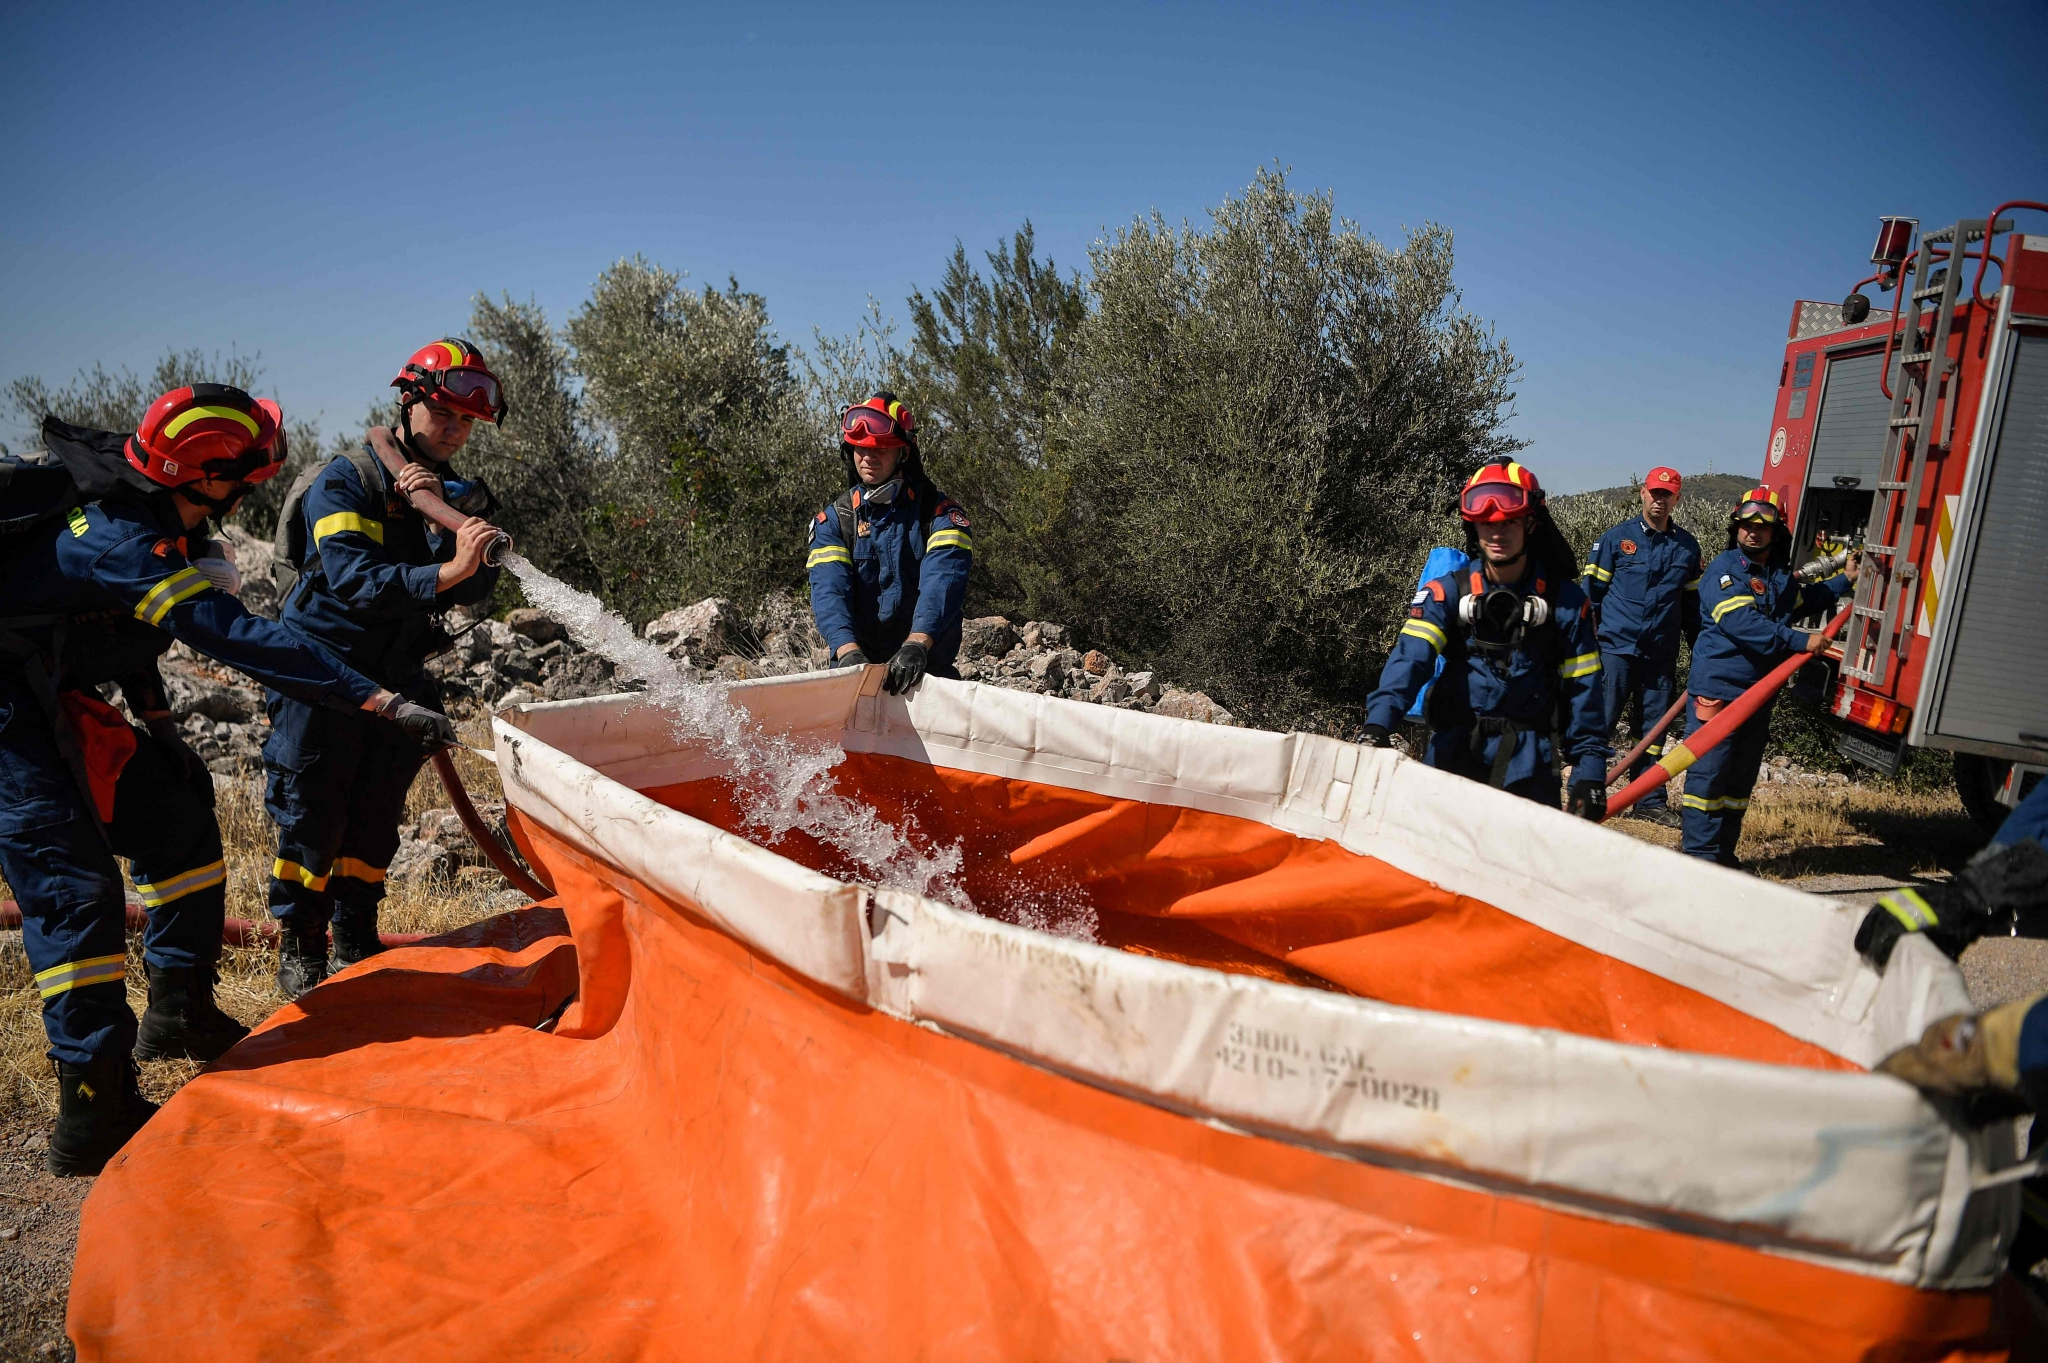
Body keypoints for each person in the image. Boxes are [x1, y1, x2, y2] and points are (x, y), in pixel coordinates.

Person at [0, 386, 454, 1175]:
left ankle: (178, 1008)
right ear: (205, 478)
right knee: (76, 890)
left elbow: (117, 635)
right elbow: (236, 635)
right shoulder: (112, 540)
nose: (253, 485)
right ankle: (92, 1106)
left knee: (176, 810)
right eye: (248, 474)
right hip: (9, 713)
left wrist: (163, 727)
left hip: (44, 687)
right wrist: (374, 697)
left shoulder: (142, 502)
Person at [265, 340, 507, 996]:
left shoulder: (458, 492)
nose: (455, 431)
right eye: (444, 415)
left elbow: (470, 592)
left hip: (397, 672)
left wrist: (469, 558)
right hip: (322, 670)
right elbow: (353, 579)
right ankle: (301, 947)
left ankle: (355, 936)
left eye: (467, 422)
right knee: (314, 813)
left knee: (376, 815)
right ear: (407, 402)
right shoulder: (346, 479)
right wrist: (450, 566)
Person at [1360, 460, 1610, 816]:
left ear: (1531, 523)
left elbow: (1585, 692)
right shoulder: (1445, 595)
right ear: (1472, 526)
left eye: (1509, 521)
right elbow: (1410, 660)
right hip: (1452, 757)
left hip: (1531, 769)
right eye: (1486, 523)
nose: (1497, 532)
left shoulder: (1567, 604)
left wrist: (1590, 774)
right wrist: (1376, 726)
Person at [1681, 488, 1856, 866]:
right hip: (1720, 692)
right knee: (1709, 777)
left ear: (1775, 532)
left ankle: (1723, 856)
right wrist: (1801, 640)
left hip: (1758, 695)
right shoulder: (1725, 571)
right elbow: (1745, 625)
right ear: (1736, 528)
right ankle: (1697, 858)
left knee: (1738, 781)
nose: (1753, 533)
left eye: (1762, 527)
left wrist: (1846, 580)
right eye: (1746, 525)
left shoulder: (1774, 577)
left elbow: (1804, 600)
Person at [806, 393, 972, 695]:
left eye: (881, 449)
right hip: (856, 676)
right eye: (861, 448)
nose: (869, 457)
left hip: (926, 677)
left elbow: (942, 583)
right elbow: (829, 590)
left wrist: (917, 645)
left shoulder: (939, 515)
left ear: (903, 453)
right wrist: (847, 653)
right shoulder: (834, 521)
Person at [1580, 466, 1702, 829]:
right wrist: (1586, 645)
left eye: (1667, 494)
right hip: (1615, 650)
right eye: (1654, 492)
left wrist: (1701, 652)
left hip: (1659, 655)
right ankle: (1585, 792)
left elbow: (1692, 609)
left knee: (1651, 733)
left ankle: (1647, 800)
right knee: (1600, 723)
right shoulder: (1616, 539)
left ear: (1676, 499)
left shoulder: (1687, 547)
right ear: (1642, 494)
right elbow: (1590, 598)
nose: (1659, 499)